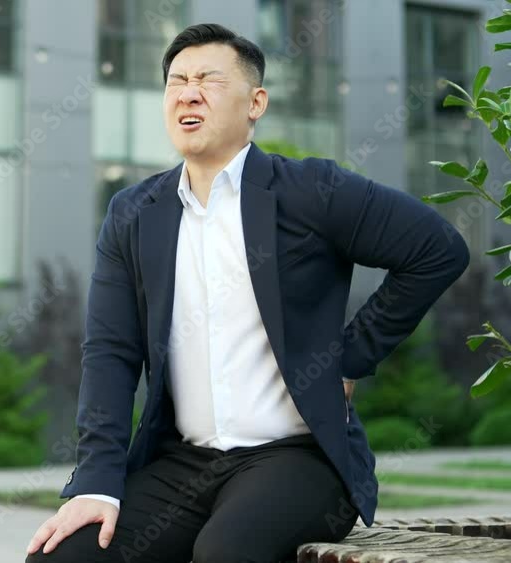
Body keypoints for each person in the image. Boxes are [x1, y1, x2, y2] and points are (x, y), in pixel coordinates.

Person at [26, 23, 469, 563]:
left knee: (226, 554)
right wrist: (96, 483)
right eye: (176, 81)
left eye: (209, 79)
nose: (188, 92)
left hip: (299, 458)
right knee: (65, 557)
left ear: (255, 102)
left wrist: (351, 358)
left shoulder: (310, 191)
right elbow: (110, 353)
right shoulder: (134, 214)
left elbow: (437, 248)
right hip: (184, 462)